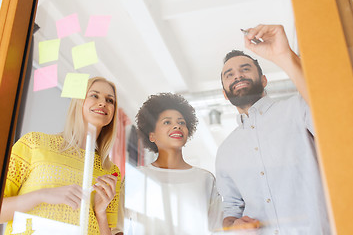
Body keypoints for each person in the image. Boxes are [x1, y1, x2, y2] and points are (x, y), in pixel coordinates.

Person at [216, 24, 331, 234]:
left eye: (245, 69)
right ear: (225, 94)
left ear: (264, 80)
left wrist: (283, 55)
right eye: (229, 74)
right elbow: (231, 210)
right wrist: (233, 225)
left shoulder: (298, 108)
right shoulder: (225, 151)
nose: (238, 76)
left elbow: (331, 118)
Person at [0, 77, 121, 235]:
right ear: (79, 102)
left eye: (110, 100)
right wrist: (41, 195)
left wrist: (100, 213)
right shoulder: (34, 143)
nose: (103, 103)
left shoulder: (110, 172)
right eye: (94, 95)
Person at [124, 93, 222, 235]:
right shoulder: (138, 177)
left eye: (181, 122)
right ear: (152, 135)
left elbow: (217, 228)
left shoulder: (205, 179)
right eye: (167, 122)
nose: (177, 126)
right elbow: (125, 227)